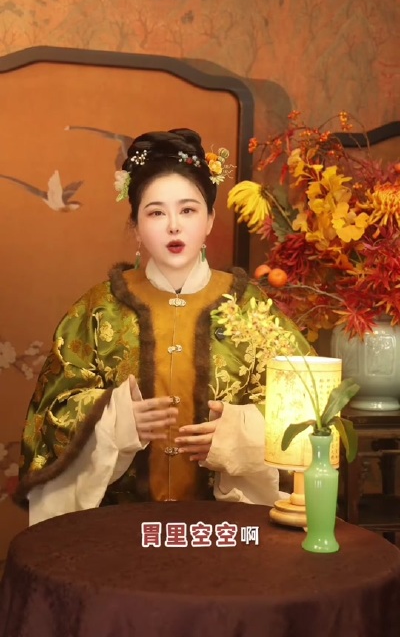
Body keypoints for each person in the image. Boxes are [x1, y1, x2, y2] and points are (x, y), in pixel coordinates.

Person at [16, 128, 311, 525]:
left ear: (209, 220)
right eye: (156, 213)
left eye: (188, 210)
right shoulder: (98, 310)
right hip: (118, 527)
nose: (174, 226)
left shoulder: (251, 309)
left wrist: (240, 435)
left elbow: (309, 409)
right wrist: (115, 420)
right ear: (136, 226)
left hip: (225, 526)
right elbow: (49, 416)